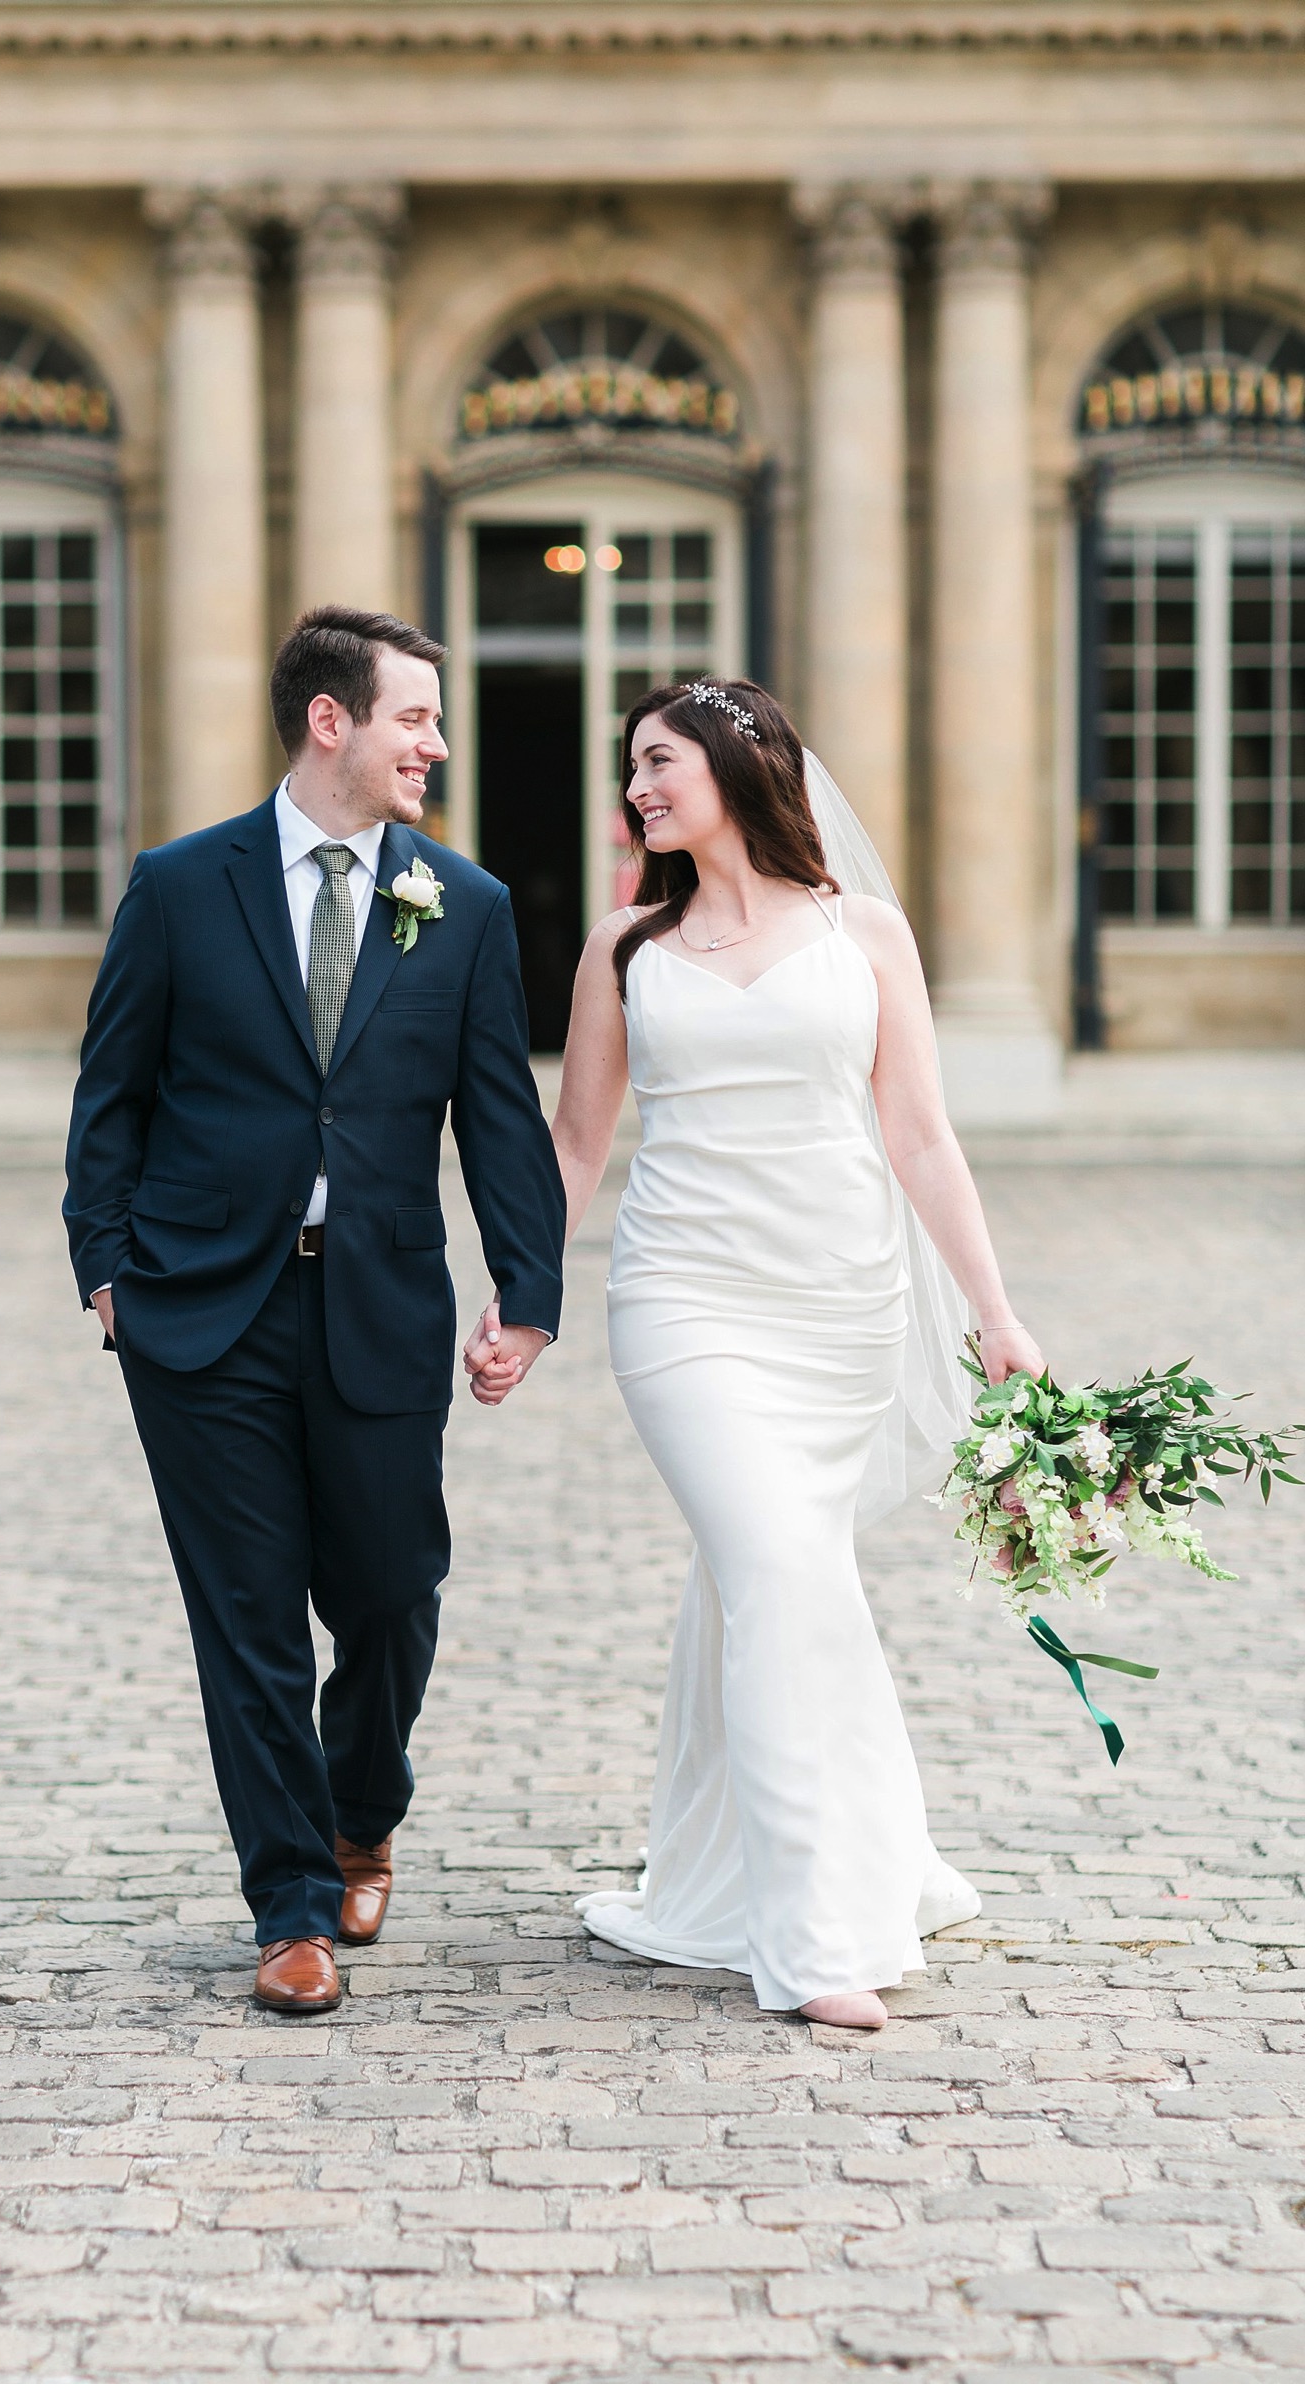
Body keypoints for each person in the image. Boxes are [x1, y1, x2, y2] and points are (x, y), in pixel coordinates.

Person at [467, 677, 1043, 2032]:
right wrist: (522, 1298)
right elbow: (576, 1144)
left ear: (738, 764)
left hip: (841, 1304)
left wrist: (997, 1314)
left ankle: (797, 1863)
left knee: (783, 1578)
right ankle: (812, 1934)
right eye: (633, 770)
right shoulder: (623, 949)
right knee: (781, 1567)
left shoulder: (871, 936)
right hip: (686, 1304)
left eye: (659, 761)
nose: (638, 788)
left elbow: (921, 1139)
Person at [65, 605, 565, 2017]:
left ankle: (366, 1804)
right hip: (198, 1314)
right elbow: (113, 1094)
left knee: (393, 1598)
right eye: (417, 716)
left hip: (382, 1306)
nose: (440, 745)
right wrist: (105, 1265)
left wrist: (526, 1291)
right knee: (247, 1624)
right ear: (331, 721)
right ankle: (288, 1901)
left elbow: (501, 1119)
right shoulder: (180, 886)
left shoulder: (463, 904)